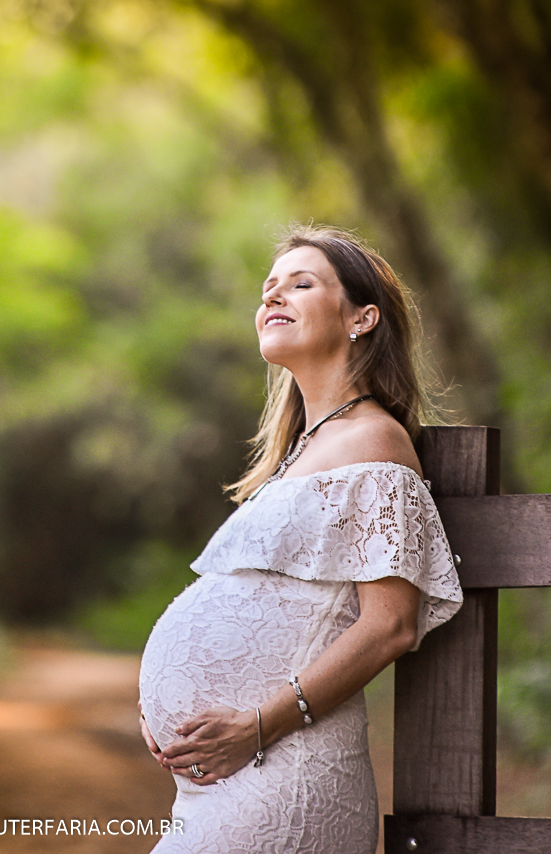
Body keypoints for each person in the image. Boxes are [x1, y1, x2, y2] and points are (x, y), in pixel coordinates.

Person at [138, 225, 463, 854]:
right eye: (268, 289)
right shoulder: (296, 455)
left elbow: (390, 625)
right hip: (226, 781)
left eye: (300, 284)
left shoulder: (373, 441)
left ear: (362, 318)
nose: (273, 297)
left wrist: (257, 726)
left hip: (283, 770)